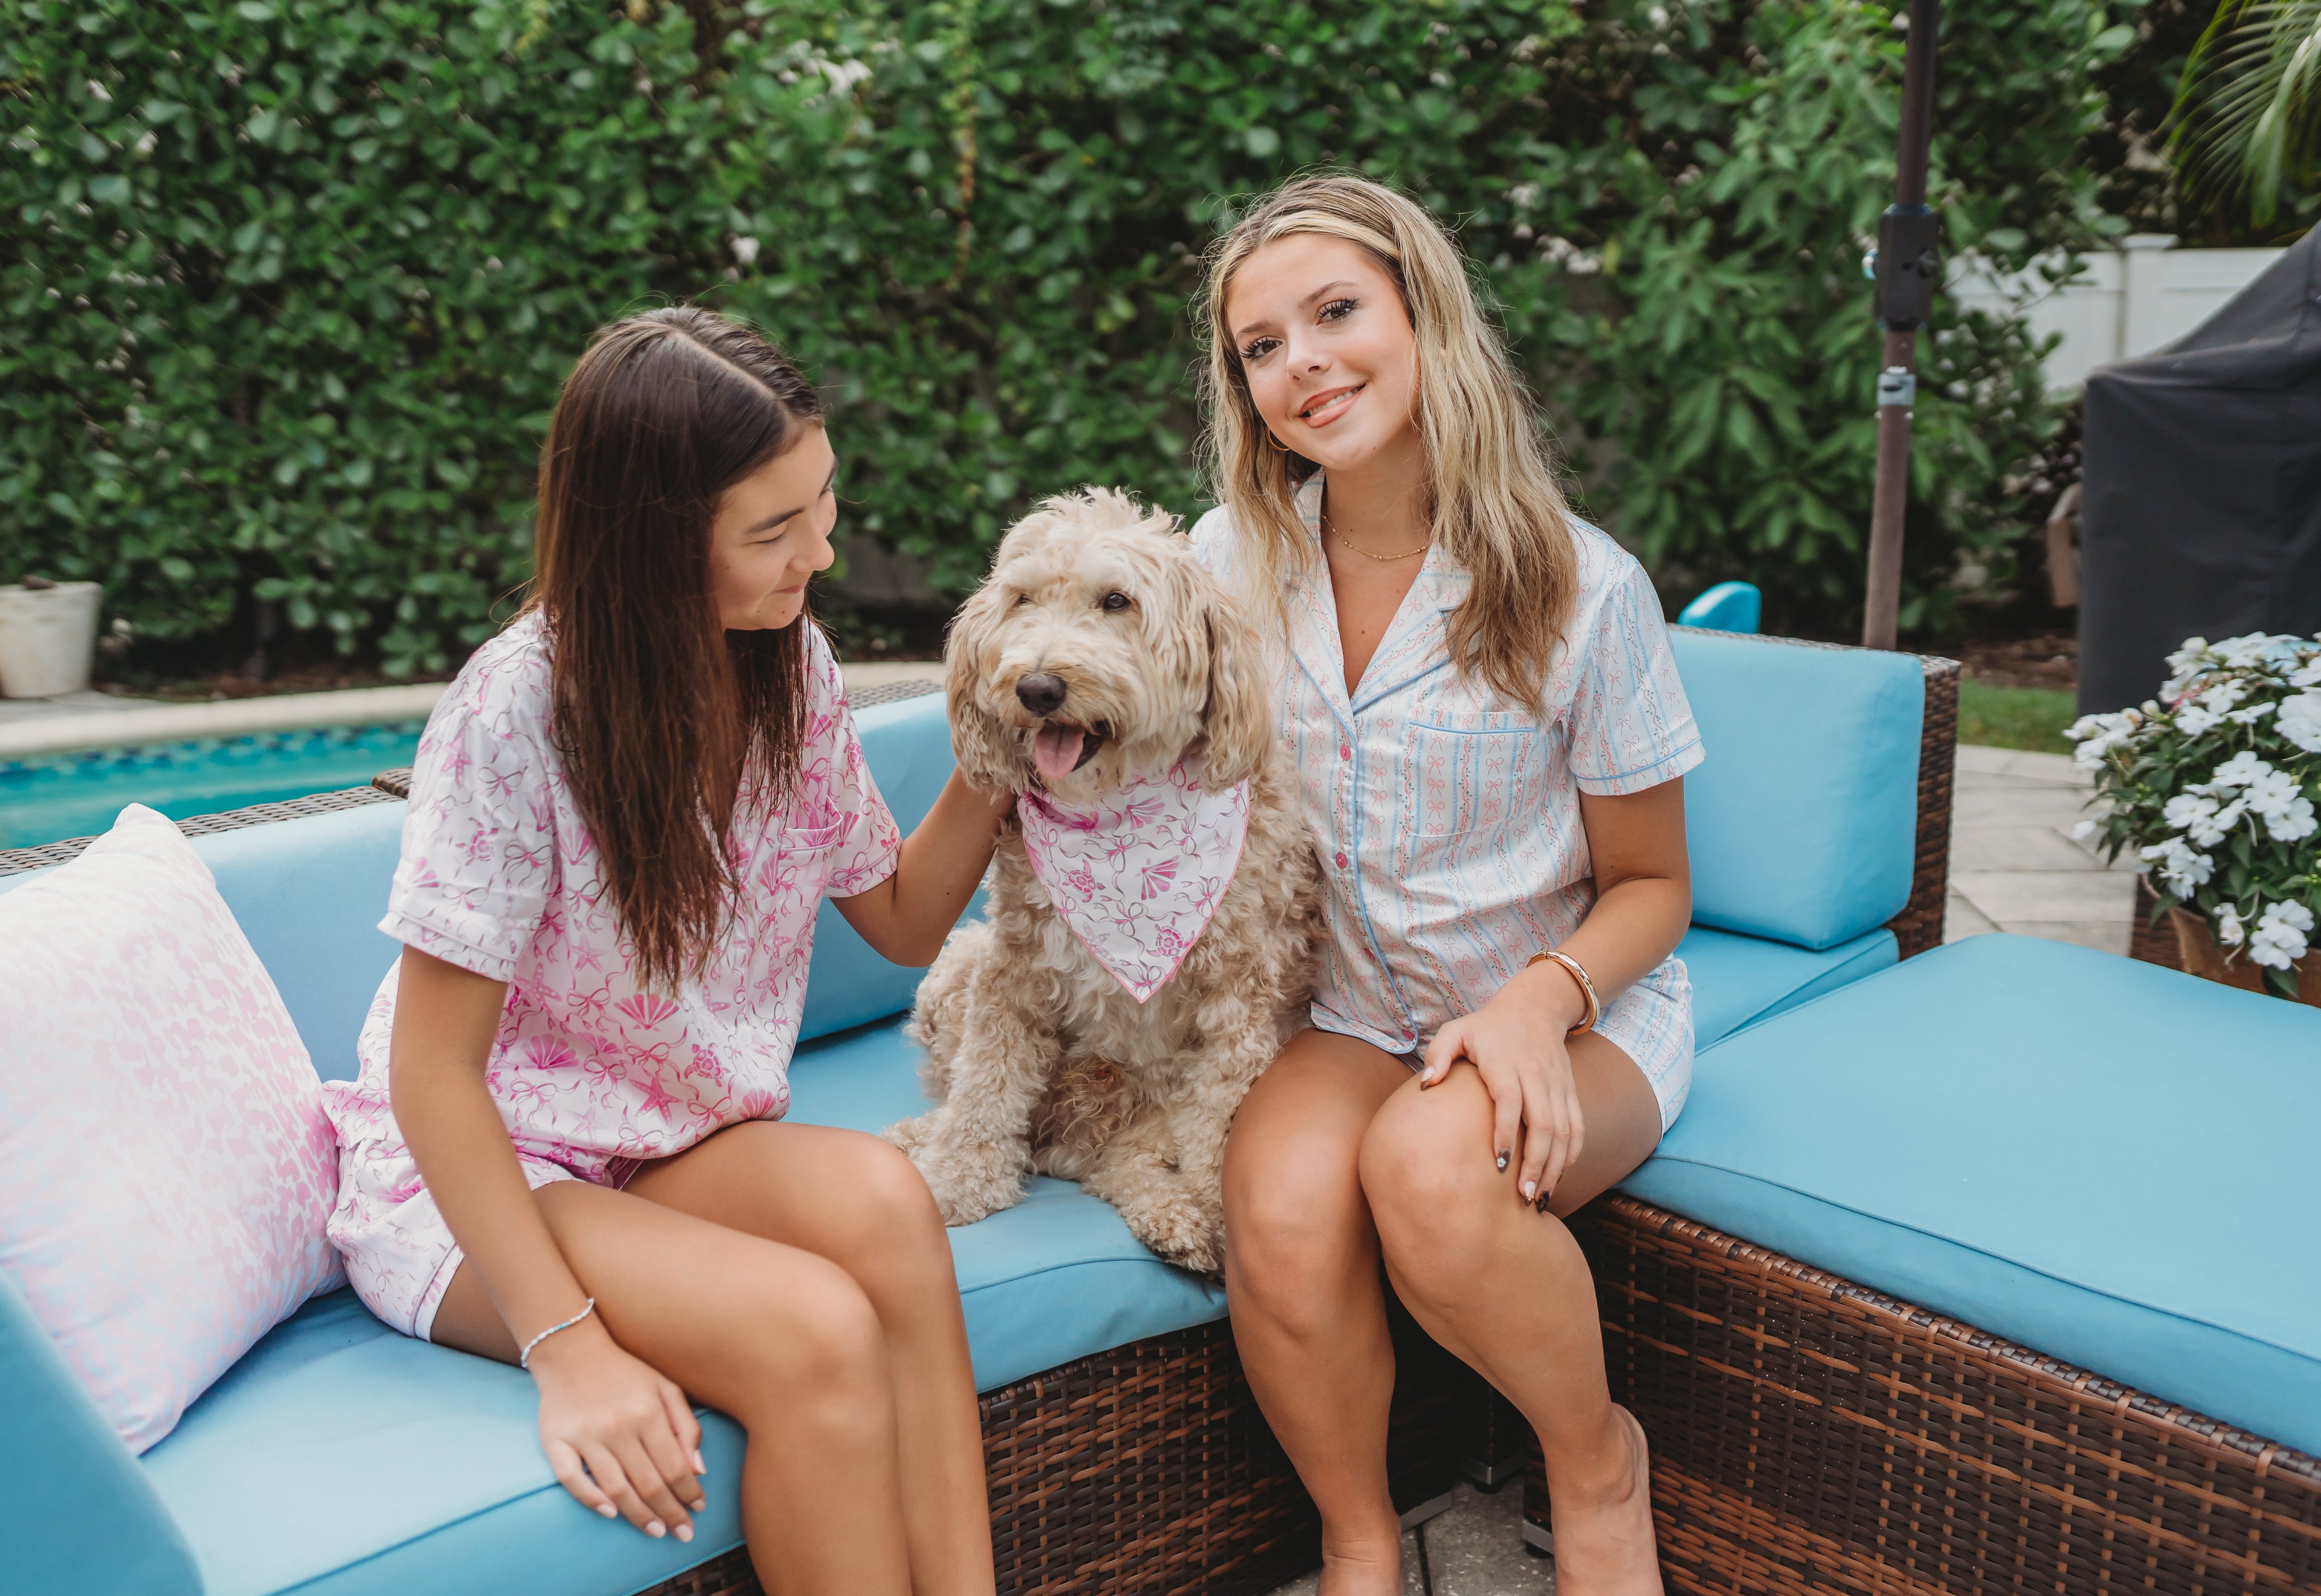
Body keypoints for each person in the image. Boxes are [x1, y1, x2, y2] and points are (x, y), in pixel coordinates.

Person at [321, 306, 1008, 1595]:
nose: (822, 550)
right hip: (487, 1168)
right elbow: (431, 1076)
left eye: (823, 502)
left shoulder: (787, 663)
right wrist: (568, 1348)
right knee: (815, 1332)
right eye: (773, 528)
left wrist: (1009, 732)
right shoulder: (515, 710)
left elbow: (905, 921)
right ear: (650, 540)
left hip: (665, 1137)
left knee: (889, 1204)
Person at [1191, 175, 1699, 1595]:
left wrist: (1538, 1005)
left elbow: (1655, 883)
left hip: (1577, 1015)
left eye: (1336, 313)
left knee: (1427, 1170)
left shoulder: (1583, 587)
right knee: (1277, 1204)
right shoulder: (1223, 564)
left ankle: (1596, 1470)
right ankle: (1361, 1537)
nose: (1303, 363)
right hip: (1356, 1016)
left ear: (1425, 318)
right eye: (1262, 345)